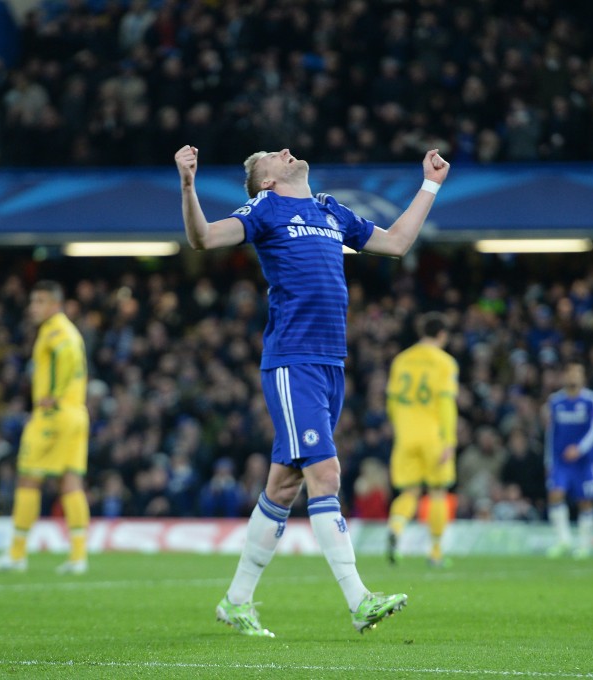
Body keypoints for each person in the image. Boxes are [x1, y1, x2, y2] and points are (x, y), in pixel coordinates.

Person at [175, 143, 449, 636]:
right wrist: (189, 186)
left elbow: (397, 243)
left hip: (330, 364)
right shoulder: (265, 208)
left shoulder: (328, 209)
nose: (286, 151)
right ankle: (359, 599)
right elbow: (204, 238)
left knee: (284, 484)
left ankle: (237, 601)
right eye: (271, 157)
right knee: (326, 473)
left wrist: (430, 184)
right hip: (293, 361)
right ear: (265, 180)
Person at [0, 281, 91, 575]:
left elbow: (68, 356)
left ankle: (16, 554)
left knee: (29, 479)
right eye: (32, 302)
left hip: (53, 414)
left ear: (55, 304)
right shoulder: (66, 328)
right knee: (70, 482)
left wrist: (53, 393)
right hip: (75, 412)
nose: (33, 308)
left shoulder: (55, 330)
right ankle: (78, 556)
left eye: (39, 302)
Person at [385, 312, 458, 567]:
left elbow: (392, 402)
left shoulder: (401, 360)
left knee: (409, 491)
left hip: (405, 435)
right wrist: (449, 440)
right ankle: (436, 552)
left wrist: (400, 429)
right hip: (434, 436)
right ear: (442, 335)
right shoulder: (445, 362)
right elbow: (446, 404)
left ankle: (396, 526)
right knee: (438, 492)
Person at [545, 360, 593, 559]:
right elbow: (550, 433)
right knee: (555, 494)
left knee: (586, 502)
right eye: (570, 373)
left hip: (584, 462)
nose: (573, 377)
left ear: (583, 377)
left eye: (577, 373)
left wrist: (579, 449)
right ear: (564, 376)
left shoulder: (592, 401)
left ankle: (584, 545)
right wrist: (548, 461)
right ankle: (563, 541)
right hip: (561, 462)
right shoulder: (555, 401)